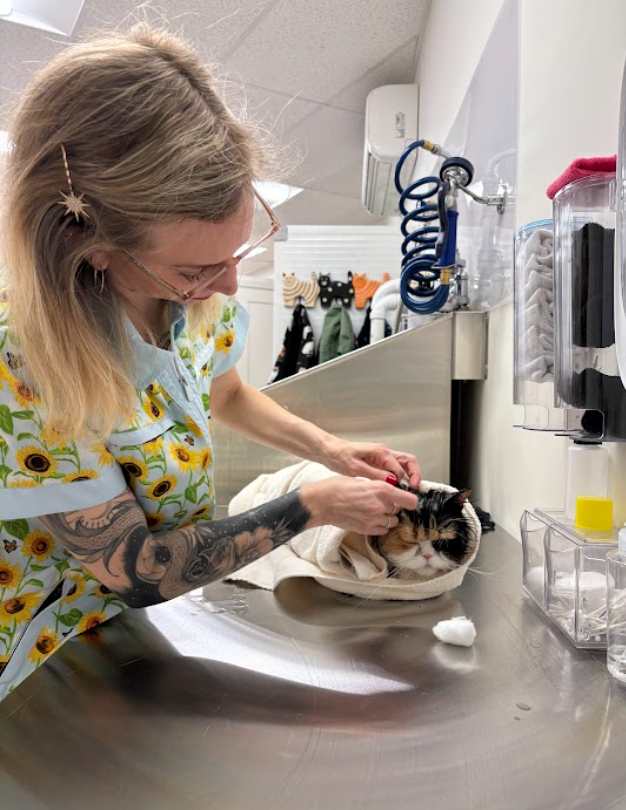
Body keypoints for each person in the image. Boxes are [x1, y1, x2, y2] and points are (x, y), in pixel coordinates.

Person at [0, 24, 419, 702]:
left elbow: (226, 394)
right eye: (197, 268)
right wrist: (310, 504)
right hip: (45, 658)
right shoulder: (22, 362)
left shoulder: (193, 303)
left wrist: (333, 451)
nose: (228, 285)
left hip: (137, 634)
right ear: (91, 247)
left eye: (236, 254)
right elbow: (136, 568)